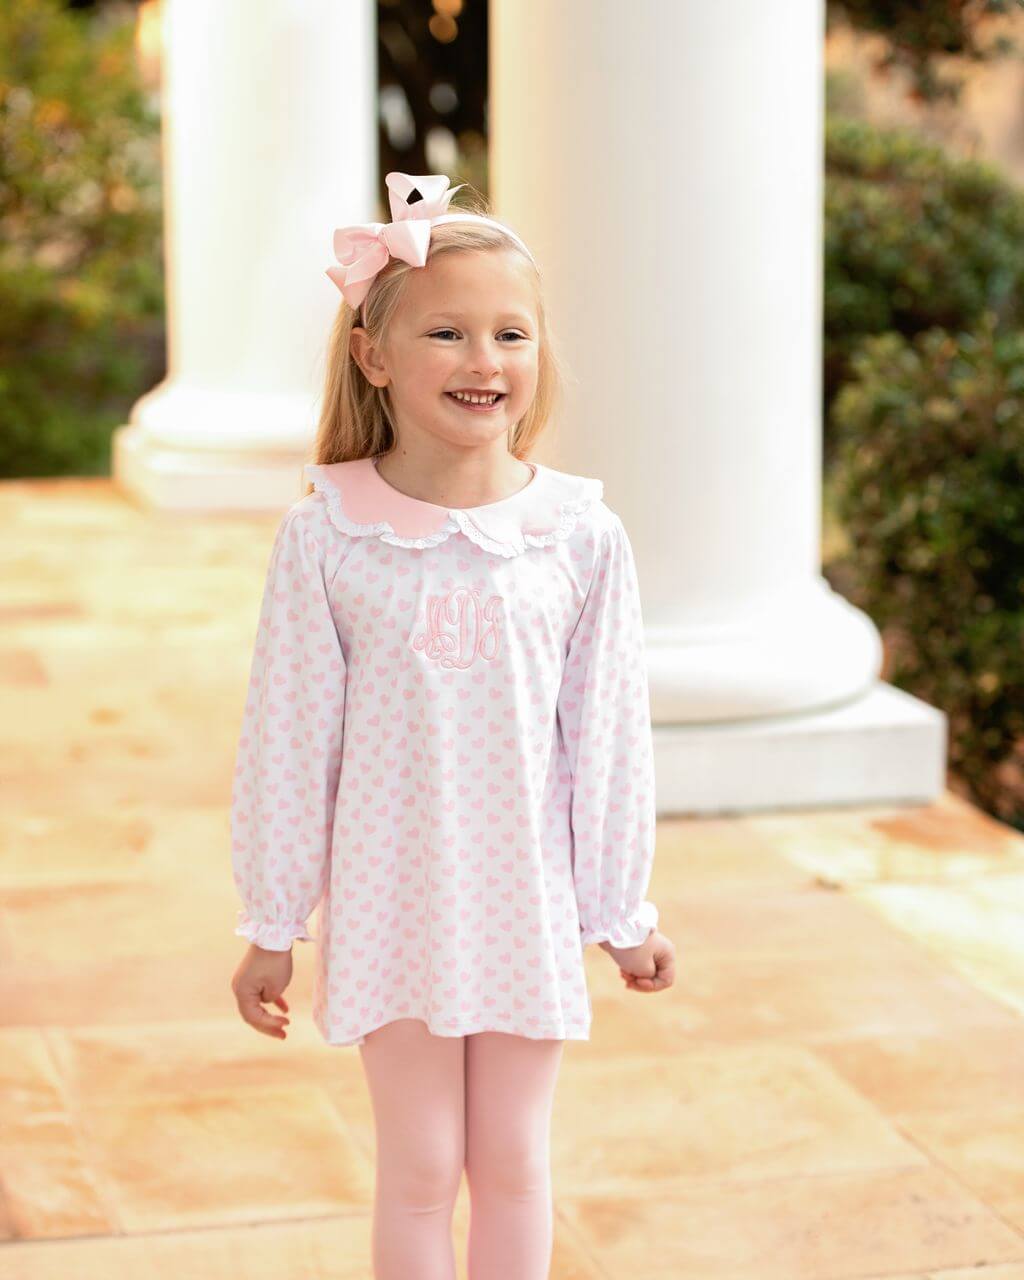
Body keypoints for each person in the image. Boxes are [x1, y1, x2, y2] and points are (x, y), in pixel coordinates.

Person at [229, 171, 676, 1280]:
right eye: (448, 332)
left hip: (525, 902)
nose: (485, 361)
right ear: (375, 355)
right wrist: (273, 918)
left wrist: (620, 906)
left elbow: (608, 735)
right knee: (421, 1166)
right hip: (393, 905)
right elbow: (289, 740)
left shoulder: (578, 535)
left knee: (515, 1158)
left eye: (509, 333)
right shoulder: (328, 535)